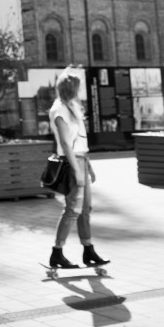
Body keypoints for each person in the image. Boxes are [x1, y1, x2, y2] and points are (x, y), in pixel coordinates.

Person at [48, 67, 110, 269]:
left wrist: (88, 166)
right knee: (72, 209)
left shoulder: (73, 107)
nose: (80, 91)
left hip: (81, 160)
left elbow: (80, 141)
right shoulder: (59, 110)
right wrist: (77, 171)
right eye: (78, 87)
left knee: (86, 209)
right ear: (71, 88)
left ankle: (88, 249)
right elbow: (66, 144)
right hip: (71, 162)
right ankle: (57, 252)